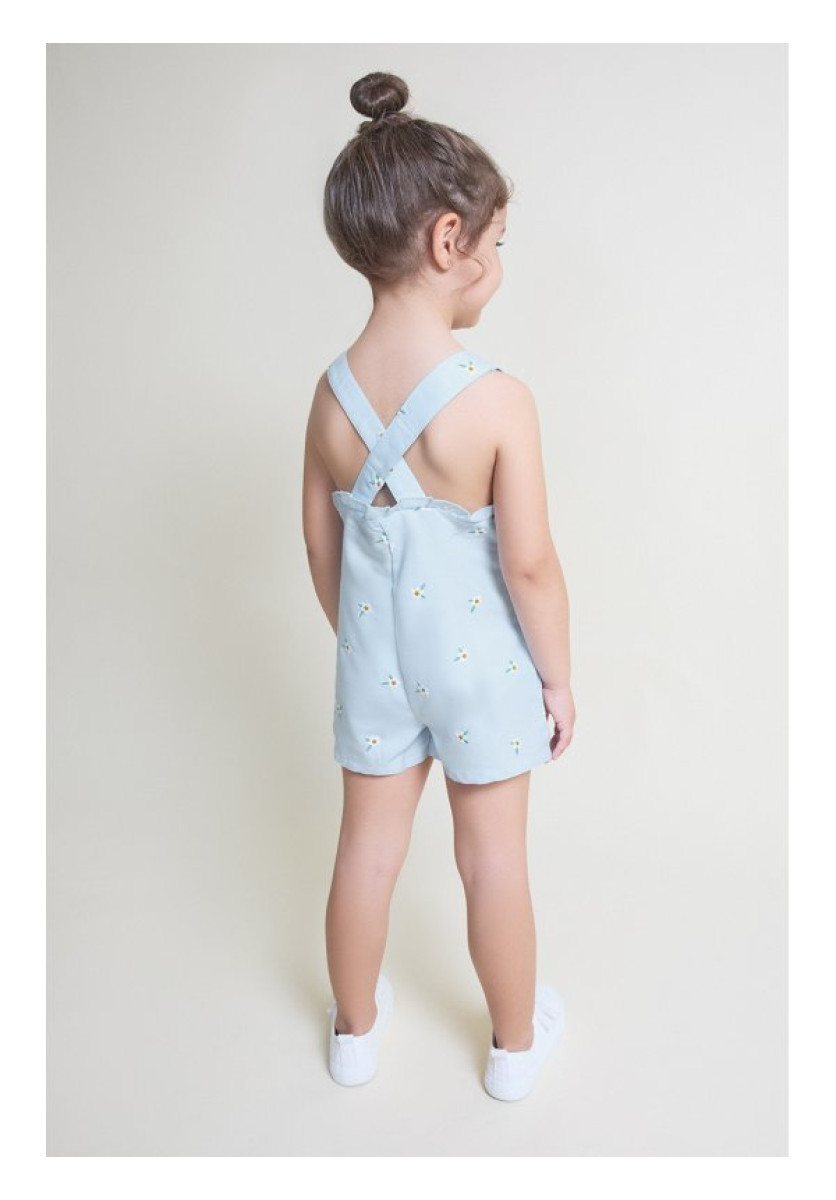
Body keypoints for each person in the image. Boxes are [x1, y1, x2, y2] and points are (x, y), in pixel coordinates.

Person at [302, 70, 576, 1101]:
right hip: (481, 672)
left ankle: (354, 1034)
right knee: (491, 860)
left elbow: (319, 545)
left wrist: (362, 640)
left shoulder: (329, 397)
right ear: (447, 239)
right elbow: (531, 564)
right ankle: (513, 1048)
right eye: (496, 242)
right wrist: (555, 678)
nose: (497, 263)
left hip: (373, 662)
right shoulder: (498, 400)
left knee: (364, 855)